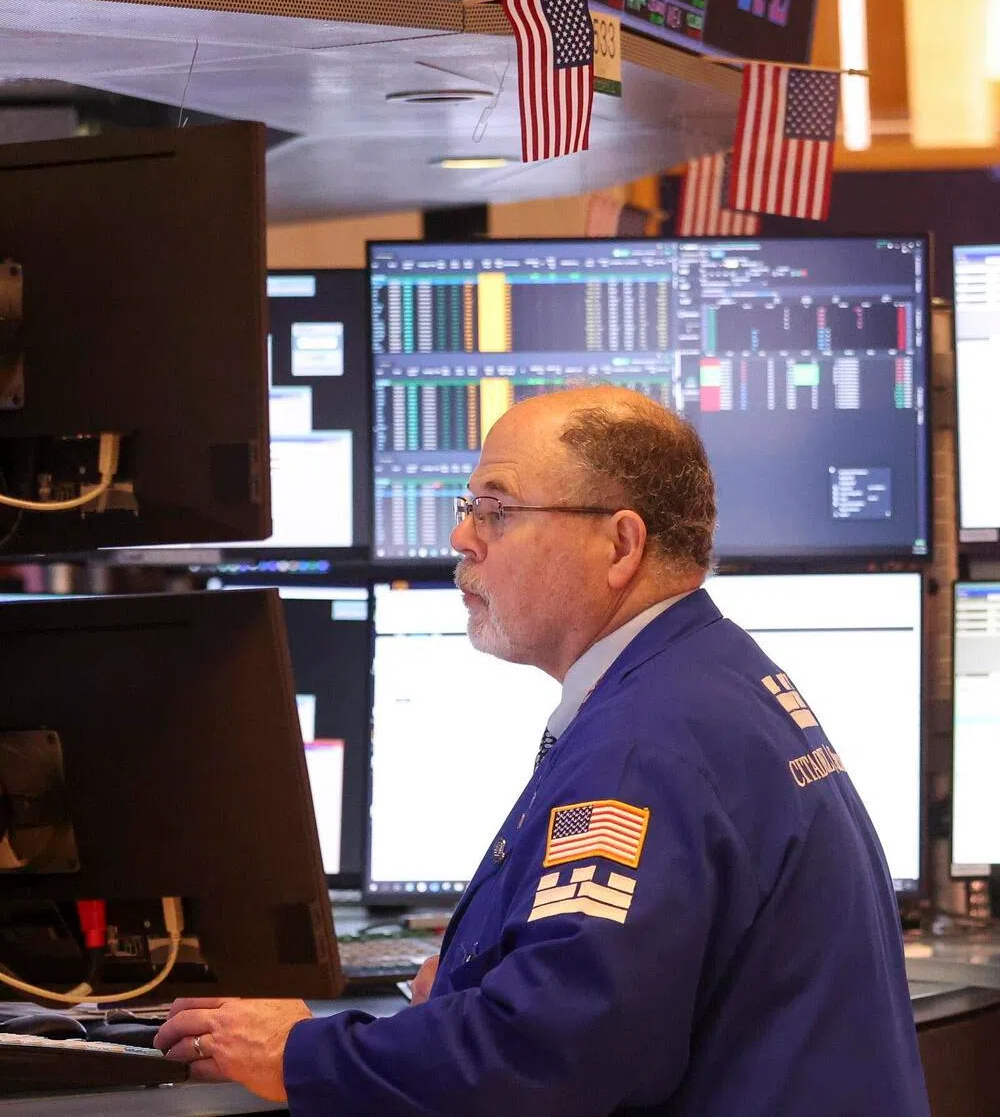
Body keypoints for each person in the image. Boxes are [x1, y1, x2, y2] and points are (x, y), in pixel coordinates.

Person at [155, 386, 930, 1115]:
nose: (462, 537)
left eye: (497, 511)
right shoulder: (710, 673)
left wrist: (298, 1052)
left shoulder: (642, 744)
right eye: (469, 508)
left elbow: (547, 1057)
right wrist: (478, 981)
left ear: (620, 544)